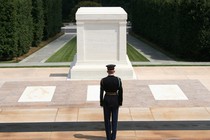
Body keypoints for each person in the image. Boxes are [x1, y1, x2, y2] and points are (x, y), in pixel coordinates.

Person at [100, 64, 123, 140]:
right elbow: (121, 92)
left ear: (107, 71)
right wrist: (120, 102)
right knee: (114, 119)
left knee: (107, 120)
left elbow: (101, 92)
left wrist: (101, 102)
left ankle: (108, 137)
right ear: (114, 71)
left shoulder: (103, 80)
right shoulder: (118, 80)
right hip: (115, 99)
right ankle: (113, 137)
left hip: (106, 99)